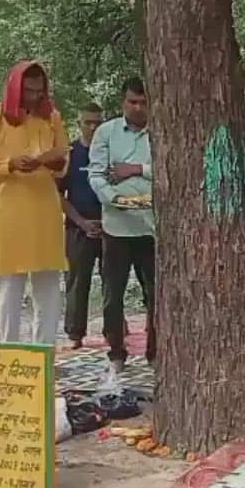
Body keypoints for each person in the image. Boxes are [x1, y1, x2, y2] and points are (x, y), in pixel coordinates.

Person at [0, 60, 69, 344]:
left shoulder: (51, 117)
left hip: (45, 212)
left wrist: (53, 160)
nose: (33, 97)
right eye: (28, 91)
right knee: (10, 292)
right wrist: (11, 165)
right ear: (14, 88)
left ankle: (45, 356)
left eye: (39, 92)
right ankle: (8, 355)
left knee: (49, 292)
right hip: (10, 215)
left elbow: (62, 163)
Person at [90, 77, 156, 374]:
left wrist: (135, 169)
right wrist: (114, 198)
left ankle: (157, 355)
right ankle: (116, 353)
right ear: (122, 102)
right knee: (112, 297)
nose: (138, 108)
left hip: (152, 227)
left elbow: (172, 170)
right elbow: (97, 174)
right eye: (133, 102)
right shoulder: (107, 132)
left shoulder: (162, 131)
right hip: (116, 227)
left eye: (143, 102)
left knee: (157, 296)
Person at [60, 103, 106, 349]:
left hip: (109, 220)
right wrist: (81, 221)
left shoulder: (111, 152)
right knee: (77, 280)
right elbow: (58, 195)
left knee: (112, 278)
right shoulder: (70, 153)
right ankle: (75, 333)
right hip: (78, 223)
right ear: (79, 124)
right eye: (87, 122)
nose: (92, 127)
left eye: (97, 123)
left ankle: (115, 327)